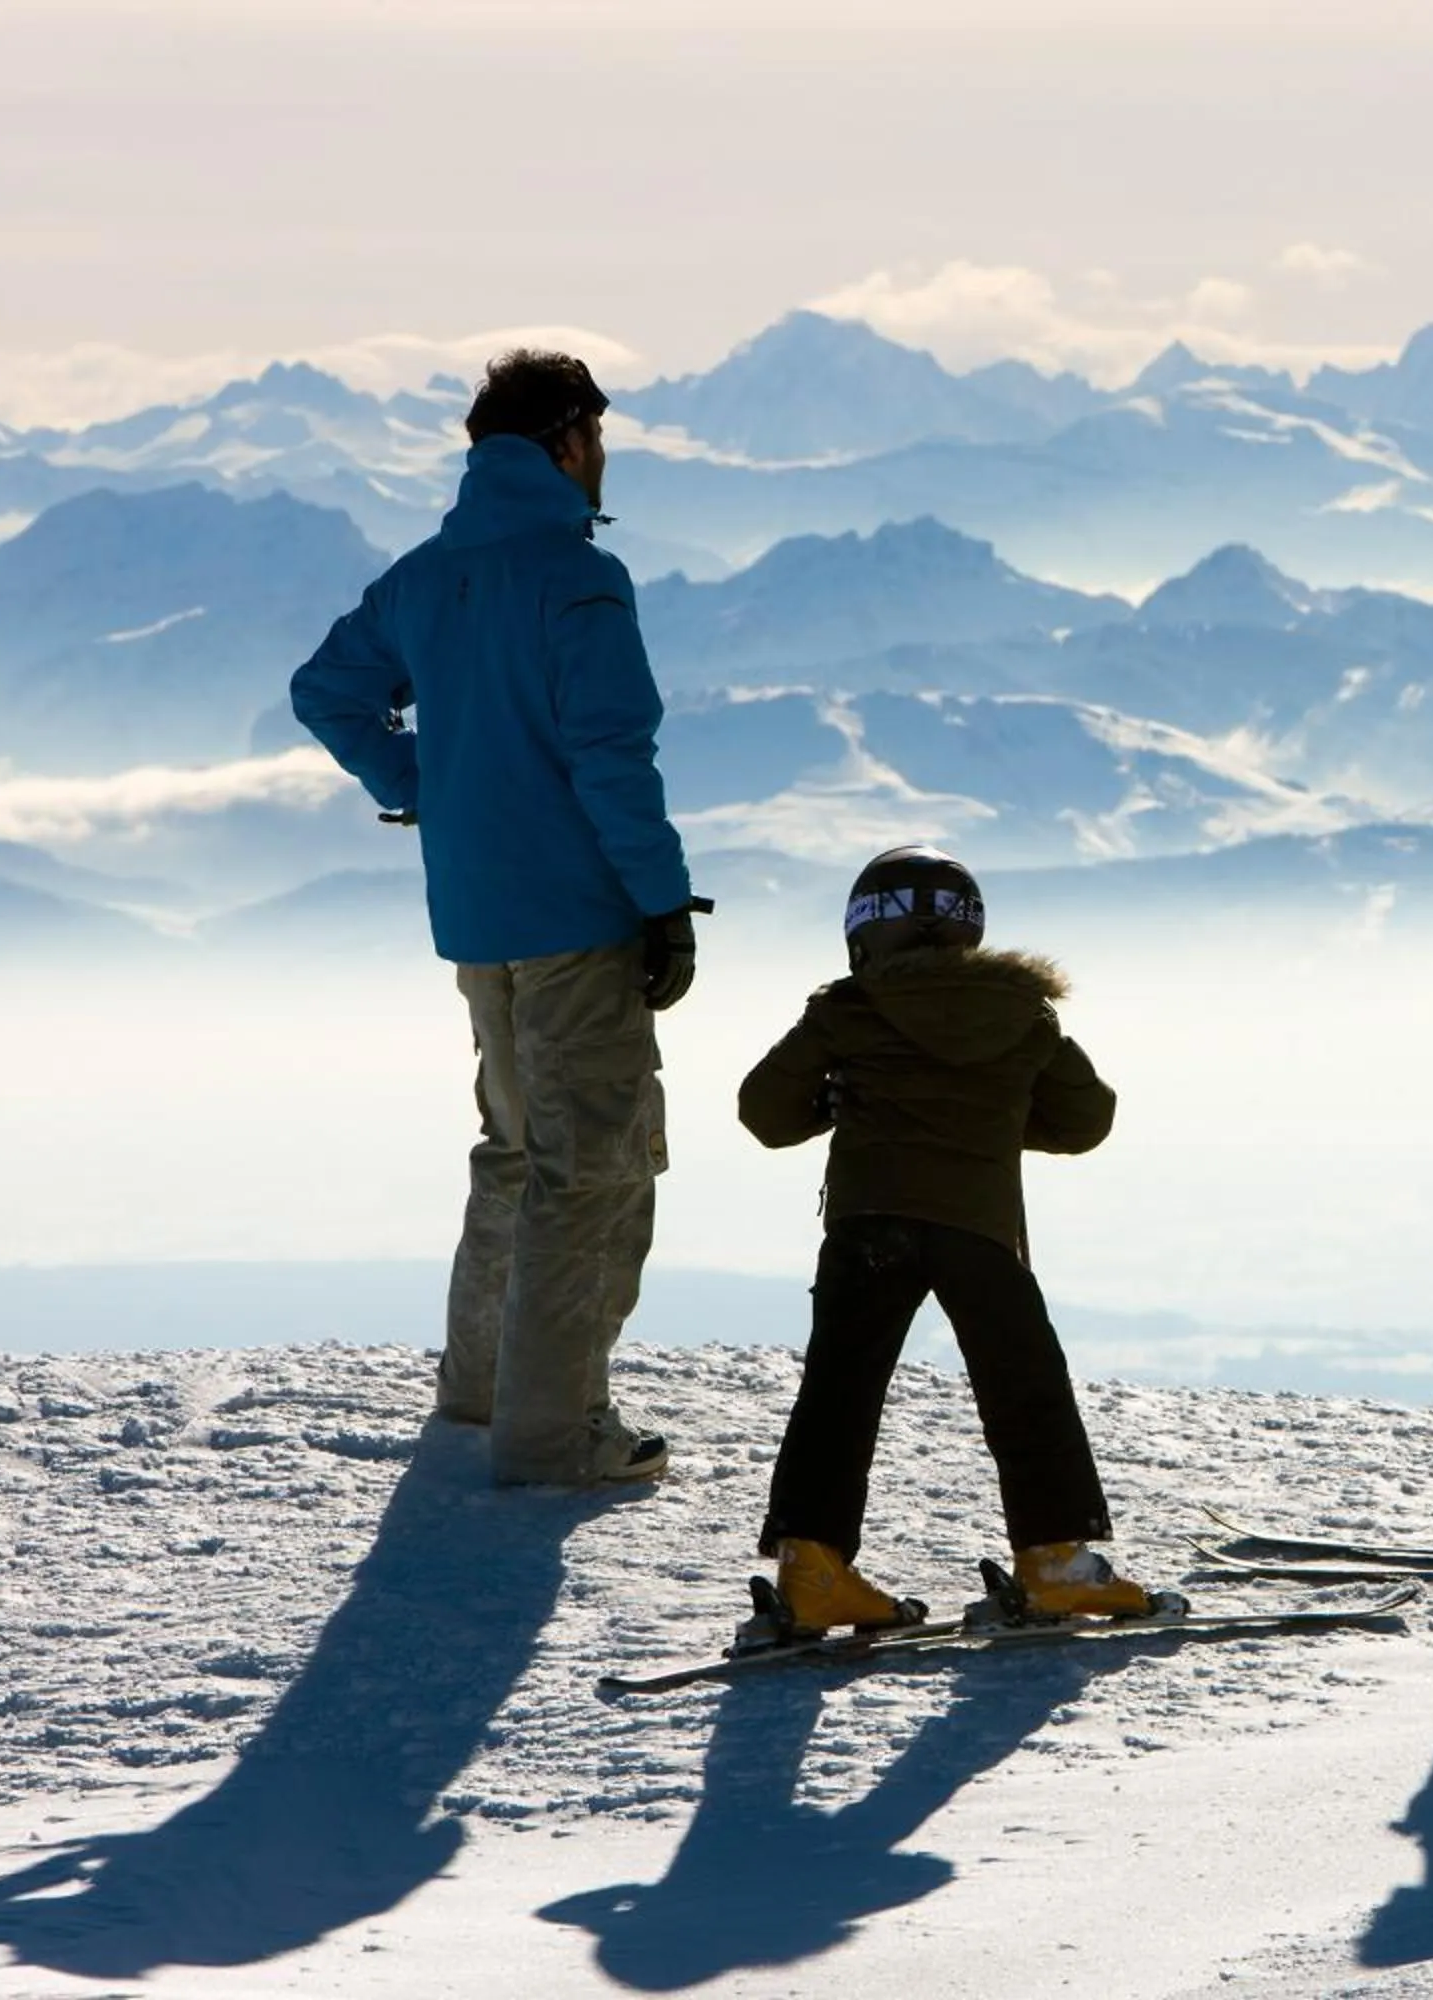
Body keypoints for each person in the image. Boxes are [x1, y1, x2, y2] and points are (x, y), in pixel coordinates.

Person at [290, 349, 701, 1487]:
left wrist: (425, 781)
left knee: (515, 1146)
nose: (604, 460)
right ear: (568, 442)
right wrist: (663, 906)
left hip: (477, 915)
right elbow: (613, 758)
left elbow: (324, 688)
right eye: (600, 439)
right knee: (596, 1165)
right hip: (577, 914)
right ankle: (552, 1430)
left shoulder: (427, 577)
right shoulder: (576, 579)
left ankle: (481, 1389)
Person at [735, 844, 1157, 1632]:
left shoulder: (845, 1011)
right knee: (1023, 1386)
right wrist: (993, 1123)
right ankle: (1057, 1565)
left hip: (869, 1224)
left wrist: (834, 1104)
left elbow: (764, 1111)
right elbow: (1086, 1120)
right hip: (978, 1227)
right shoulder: (1022, 1016)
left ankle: (814, 1571)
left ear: (863, 935)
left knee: (840, 1389)